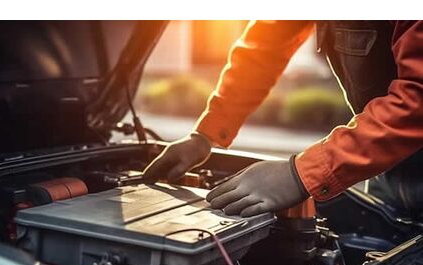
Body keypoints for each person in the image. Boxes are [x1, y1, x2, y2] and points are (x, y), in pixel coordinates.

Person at [143, 21, 423, 217]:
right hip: (386, 160)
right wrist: (205, 134)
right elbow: (263, 48)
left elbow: (418, 97)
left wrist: (300, 174)